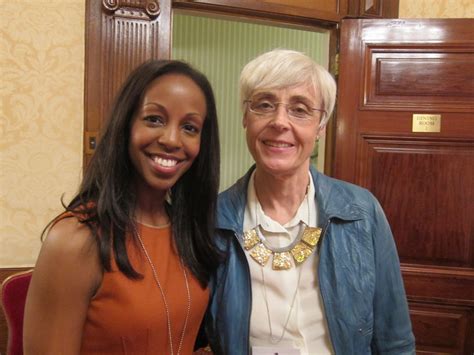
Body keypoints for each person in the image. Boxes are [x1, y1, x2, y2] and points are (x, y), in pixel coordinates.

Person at [204, 49, 415, 355]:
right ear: (245, 118)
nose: (279, 121)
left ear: (321, 127)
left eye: (300, 109)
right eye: (264, 105)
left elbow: (394, 340)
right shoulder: (212, 221)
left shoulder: (361, 212)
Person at [23, 59, 221, 354]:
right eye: (154, 119)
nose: (171, 139)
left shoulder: (188, 230)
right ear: (125, 125)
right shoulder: (76, 240)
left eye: (189, 127)